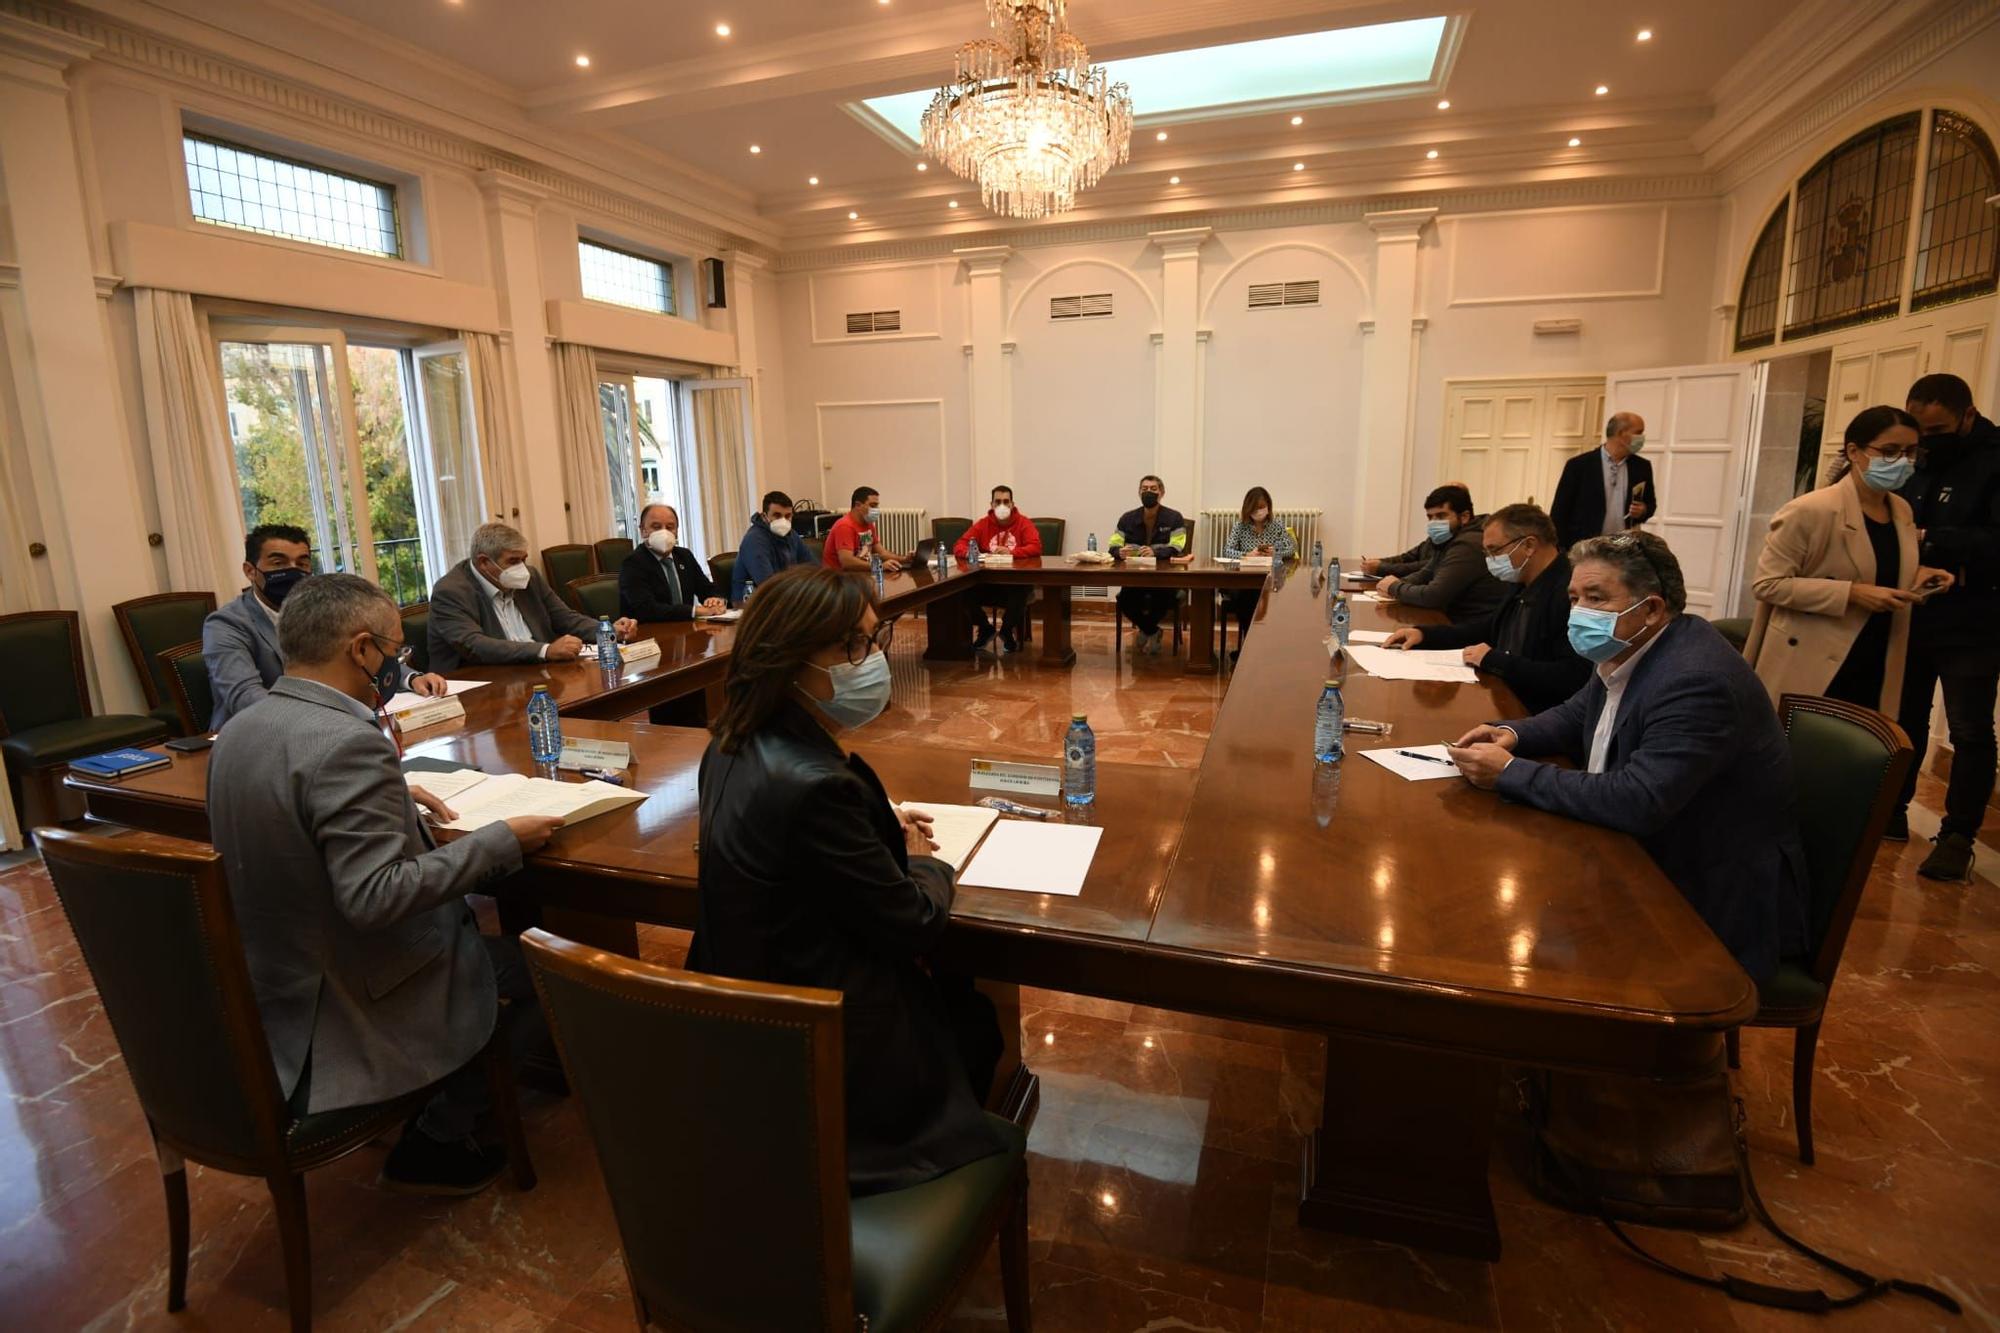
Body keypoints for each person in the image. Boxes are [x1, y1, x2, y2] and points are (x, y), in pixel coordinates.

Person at [207, 574, 563, 1194]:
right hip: (359, 991)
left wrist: (389, 793)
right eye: (397, 651)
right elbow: (376, 897)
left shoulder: (241, 728)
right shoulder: (349, 742)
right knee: (552, 976)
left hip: (279, 978)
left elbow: (292, 812)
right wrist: (500, 839)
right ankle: (443, 1131)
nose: (401, 663)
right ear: (361, 649)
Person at [688, 565, 1006, 1195]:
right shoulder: (817, 787)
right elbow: (913, 922)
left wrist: (871, 822)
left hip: (746, 1008)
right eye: (852, 646)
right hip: (829, 1039)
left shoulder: (729, 740)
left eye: (872, 639)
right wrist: (924, 861)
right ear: (790, 658)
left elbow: (787, 829)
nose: (869, 660)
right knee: (973, 1021)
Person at [1448, 531, 1809, 982]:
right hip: (1643, 856)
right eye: (1575, 597)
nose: (1579, 613)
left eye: (1596, 598)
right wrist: (1510, 734)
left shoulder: (1697, 681)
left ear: (1653, 608)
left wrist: (1510, 773)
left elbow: (1637, 799)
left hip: (1703, 896)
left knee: (1509, 948)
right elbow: (1577, 712)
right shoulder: (1635, 644)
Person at [1745, 407, 1950, 723]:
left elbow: (1882, 567)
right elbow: (1767, 584)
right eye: (1889, 451)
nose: (1902, 461)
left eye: (1910, 452)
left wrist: (1918, 576)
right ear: (1854, 451)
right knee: (1803, 758)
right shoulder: (1811, 510)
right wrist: (1851, 593)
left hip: (1879, 653)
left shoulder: (1902, 510)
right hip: (1815, 656)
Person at [1892, 373, 2000, 879]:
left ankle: (1958, 834)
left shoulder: (1995, 457)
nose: (1926, 439)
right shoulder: (1913, 455)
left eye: (1937, 429)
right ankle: (1891, 811)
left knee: (1970, 729)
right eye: (1920, 428)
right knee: (1902, 719)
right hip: (1911, 611)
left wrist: (1933, 538)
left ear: (1967, 415)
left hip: (1975, 618)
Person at [203, 523, 446, 731]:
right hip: (255, 738)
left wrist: (410, 678)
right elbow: (246, 697)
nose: (292, 571)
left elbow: (368, 651)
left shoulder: (318, 609)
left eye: (301, 562)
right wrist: (328, 720)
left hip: (328, 728)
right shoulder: (226, 624)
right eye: (279, 562)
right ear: (250, 571)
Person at [1383, 503, 1589, 711]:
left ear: (1529, 546)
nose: (1490, 560)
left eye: (1494, 550)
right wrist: (1424, 635)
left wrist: (1495, 661)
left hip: (1536, 713)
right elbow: (1489, 627)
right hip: (1508, 697)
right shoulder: (1522, 580)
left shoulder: (1570, 592)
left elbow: (1571, 676)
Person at [428, 522, 634, 671]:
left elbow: (565, 618)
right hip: (481, 682)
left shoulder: (530, 577)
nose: (522, 568)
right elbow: (476, 645)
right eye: (513, 561)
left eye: (523, 560)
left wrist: (609, 631)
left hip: (536, 672)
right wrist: (545, 651)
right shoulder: (450, 591)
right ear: (484, 562)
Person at [1365, 484, 1507, 622]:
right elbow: (1426, 572)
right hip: (1453, 618)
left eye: (1441, 516)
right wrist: (1396, 583)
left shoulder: (1468, 543)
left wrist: (1394, 587)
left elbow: (1433, 596)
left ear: (1464, 517)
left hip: (1470, 625)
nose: (1434, 523)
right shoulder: (1449, 538)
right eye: (1430, 517)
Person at [954, 484, 1043, 652]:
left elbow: (1036, 547)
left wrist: (1011, 552)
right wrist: (973, 554)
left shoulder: (1023, 523)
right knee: (960, 592)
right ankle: (985, 629)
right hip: (988, 583)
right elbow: (960, 545)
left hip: (1015, 584)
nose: (1002, 505)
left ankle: (1006, 632)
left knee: (1019, 593)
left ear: (1012, 504)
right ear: (992, 504)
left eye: (1006, 501)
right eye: (997, 502)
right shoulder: (983, 524)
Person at [1109, 474, 1193, 654]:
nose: (1148, 492)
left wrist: (1156, 552)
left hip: (1164, 577)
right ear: (1139, 492)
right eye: (1144, 489)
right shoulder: (1127, 518)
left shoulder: (1174, 517)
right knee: (1125, 600)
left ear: (1162, 493)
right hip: (1135, 576)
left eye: (1153, 489)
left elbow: (1178, 546)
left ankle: (1146, 630)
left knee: (1162, 598)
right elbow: (1114, 544)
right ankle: (1152, 630)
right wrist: (1119, 551)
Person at [1549, 412, 1658, 548]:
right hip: (1584, 546)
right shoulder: (1579, 465)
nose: (1642, 438)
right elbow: (1560, 511)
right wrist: (1559, 548)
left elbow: (1651, 504)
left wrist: (1643, 510)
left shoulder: (1642, 466)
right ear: (1621, 433)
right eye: (1638, 432)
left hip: (1623, 545)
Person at [619, 503, 728, 622]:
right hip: (649, 633)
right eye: (656, 527)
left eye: (670, 527)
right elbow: (646, 609)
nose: (664, 532)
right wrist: (694, 611)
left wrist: (715, 600)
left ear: (676, 531)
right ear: (643, 531)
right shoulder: (633, 563)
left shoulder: (684, 556)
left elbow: (707, 589)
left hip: (687, 630)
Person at [1220, 487, 1296, 658]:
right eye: (1255, 508)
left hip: (1270, 578)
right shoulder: (1240, 526)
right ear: (1248, 509)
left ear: (1268, 507)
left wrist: (1275, 552)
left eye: (1262, 507)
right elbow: (1227, 551)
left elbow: (1291, 548)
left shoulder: (1277, 526)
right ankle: (1249, 647)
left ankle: (1262, 647)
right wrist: (1246, 555)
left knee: (1270, 597)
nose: (1259, 511)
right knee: (1247, 598)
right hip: (1244, 578)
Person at [734, 490, 813, 605]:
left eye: (787, 516)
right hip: (751, 604)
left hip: (785, 597)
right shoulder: (755, 540)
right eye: (777, 515)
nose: (783, 520)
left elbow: (813, 568)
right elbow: (767, 583)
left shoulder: (791, 535)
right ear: (764, 516)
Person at [823, 486, 910, 573]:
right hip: (839, 579)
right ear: (858, 505)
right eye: (872, 505)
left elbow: (881, 553)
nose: (876, 510)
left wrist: (905, 559)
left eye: (877, 506)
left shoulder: (868, 524)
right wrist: (879, 566)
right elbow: (847, 562)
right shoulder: (844, 526)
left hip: (860, 575)